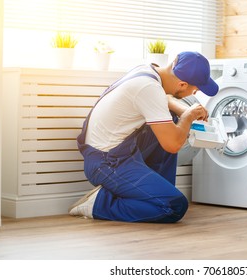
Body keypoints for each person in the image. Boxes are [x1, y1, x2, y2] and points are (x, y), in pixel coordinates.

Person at [68, 51, 219, 223]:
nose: (196, 93)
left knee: (171, 118)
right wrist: (188, 117)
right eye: (196, 89)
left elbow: (161, 100)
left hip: (117, 152)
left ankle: (155, 192)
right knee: (174, 206)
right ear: (183, 85)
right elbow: (172, 145)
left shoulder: (149, 72)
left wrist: (183, 111)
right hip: (106, 163)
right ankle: (99, 204)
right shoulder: (149, 88)